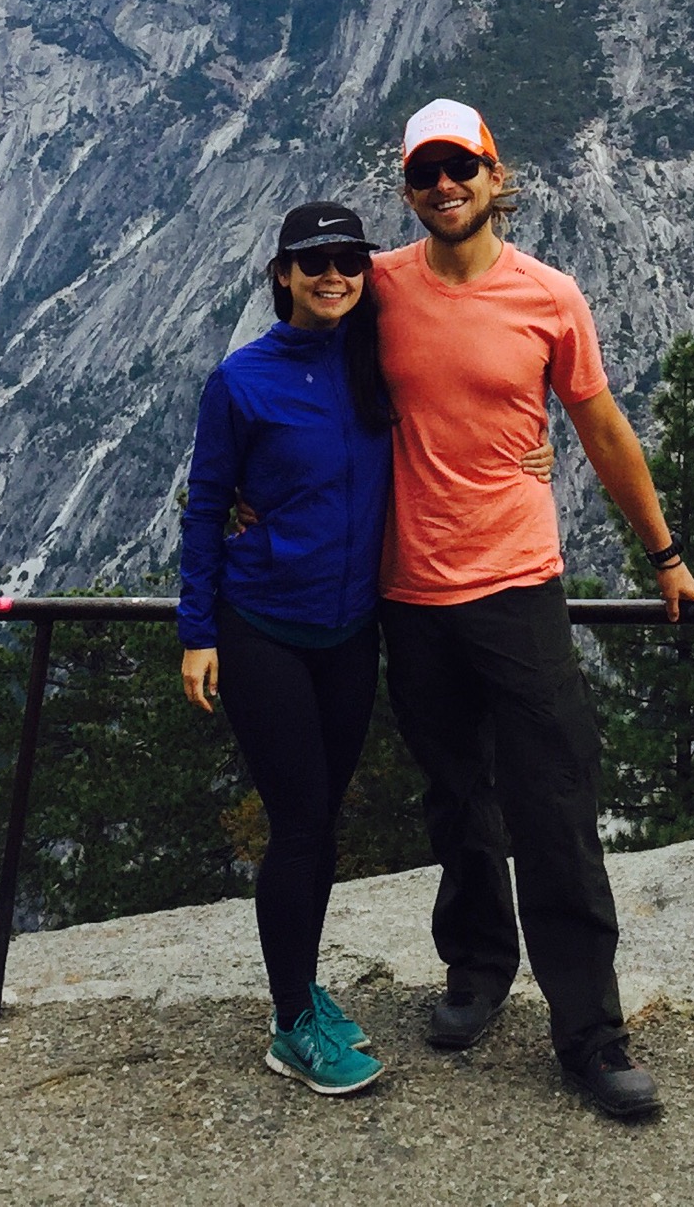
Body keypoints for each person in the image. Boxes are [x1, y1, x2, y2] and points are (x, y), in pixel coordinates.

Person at [370, 97, 694, 1123]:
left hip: (519, 588)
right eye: (425, 173)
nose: (444, 186)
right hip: (409, 595)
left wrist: (665, 555)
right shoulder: (378, 288)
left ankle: (591, 1035)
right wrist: (246, 498)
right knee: (454, 797)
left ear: (494, 172)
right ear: (408, 188)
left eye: (459, 168)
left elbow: (600, 428)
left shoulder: (549, 297)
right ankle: (477, 972)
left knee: (554, 804)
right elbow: (300, 383)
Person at [176, 200, 396, 1096]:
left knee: (323, 819)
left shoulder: (378, 359)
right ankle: (291, 1022)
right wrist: (197, 632)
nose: (333, 275)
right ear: (283, 274)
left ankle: (301, 987)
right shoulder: (241, 381)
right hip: (263, 626)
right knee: (300, 821)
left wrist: (531, 449)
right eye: (314, 262)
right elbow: (203, 507)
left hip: (350, 631)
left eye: (349, 260)